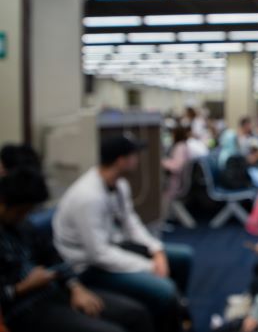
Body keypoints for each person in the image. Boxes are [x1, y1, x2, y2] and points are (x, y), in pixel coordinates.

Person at [53, 134, 194, 332]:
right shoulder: (88, 197)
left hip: (112, 250)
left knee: (183, 257)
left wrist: (157, 250)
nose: (137, 160)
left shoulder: (119, 185)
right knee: (166, 290)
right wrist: (149, 266)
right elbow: (98, 254)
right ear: (122, 160)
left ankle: (178, 311)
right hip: (88, 268)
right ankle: (172, 316)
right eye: (134, 155)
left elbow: (131, 223)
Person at [0, 168, 154, 332]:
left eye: (26, 212)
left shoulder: (24, 226)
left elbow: (54, 258)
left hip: (56, 290)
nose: (22, 217)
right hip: (24, 306)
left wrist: (76, 288)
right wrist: (22, 287)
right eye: (19, 212)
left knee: (136, 314)